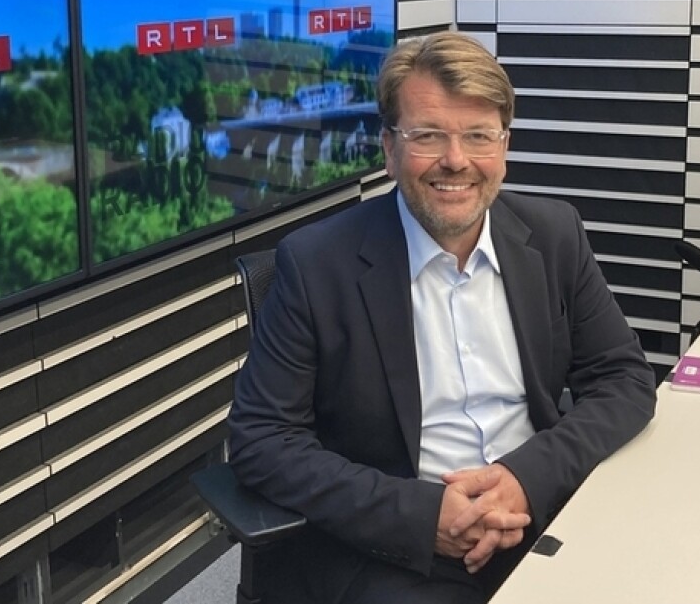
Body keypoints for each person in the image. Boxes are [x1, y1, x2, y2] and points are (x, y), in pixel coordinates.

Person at [227, 31, 657, 603]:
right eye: (427, 135)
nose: (456, 160)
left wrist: (527, 478)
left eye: (478, 135)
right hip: (396, 547)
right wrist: (422, 515)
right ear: (389, 148)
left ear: (503, 146)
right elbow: (261, 438)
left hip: (537, 512)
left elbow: (624, 378)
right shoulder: (315, 264)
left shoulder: (554, 234)